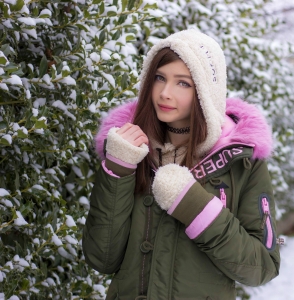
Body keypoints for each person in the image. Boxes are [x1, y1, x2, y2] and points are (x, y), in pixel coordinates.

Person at [82, 29, 280, 300]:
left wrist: (195, 207)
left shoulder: (241, 161)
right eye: (159, 78)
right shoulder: (128, 149)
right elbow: (101, 258)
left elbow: (261, 267)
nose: (164, 93)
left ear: (205, 91)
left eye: (183, 83)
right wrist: (118, 169)